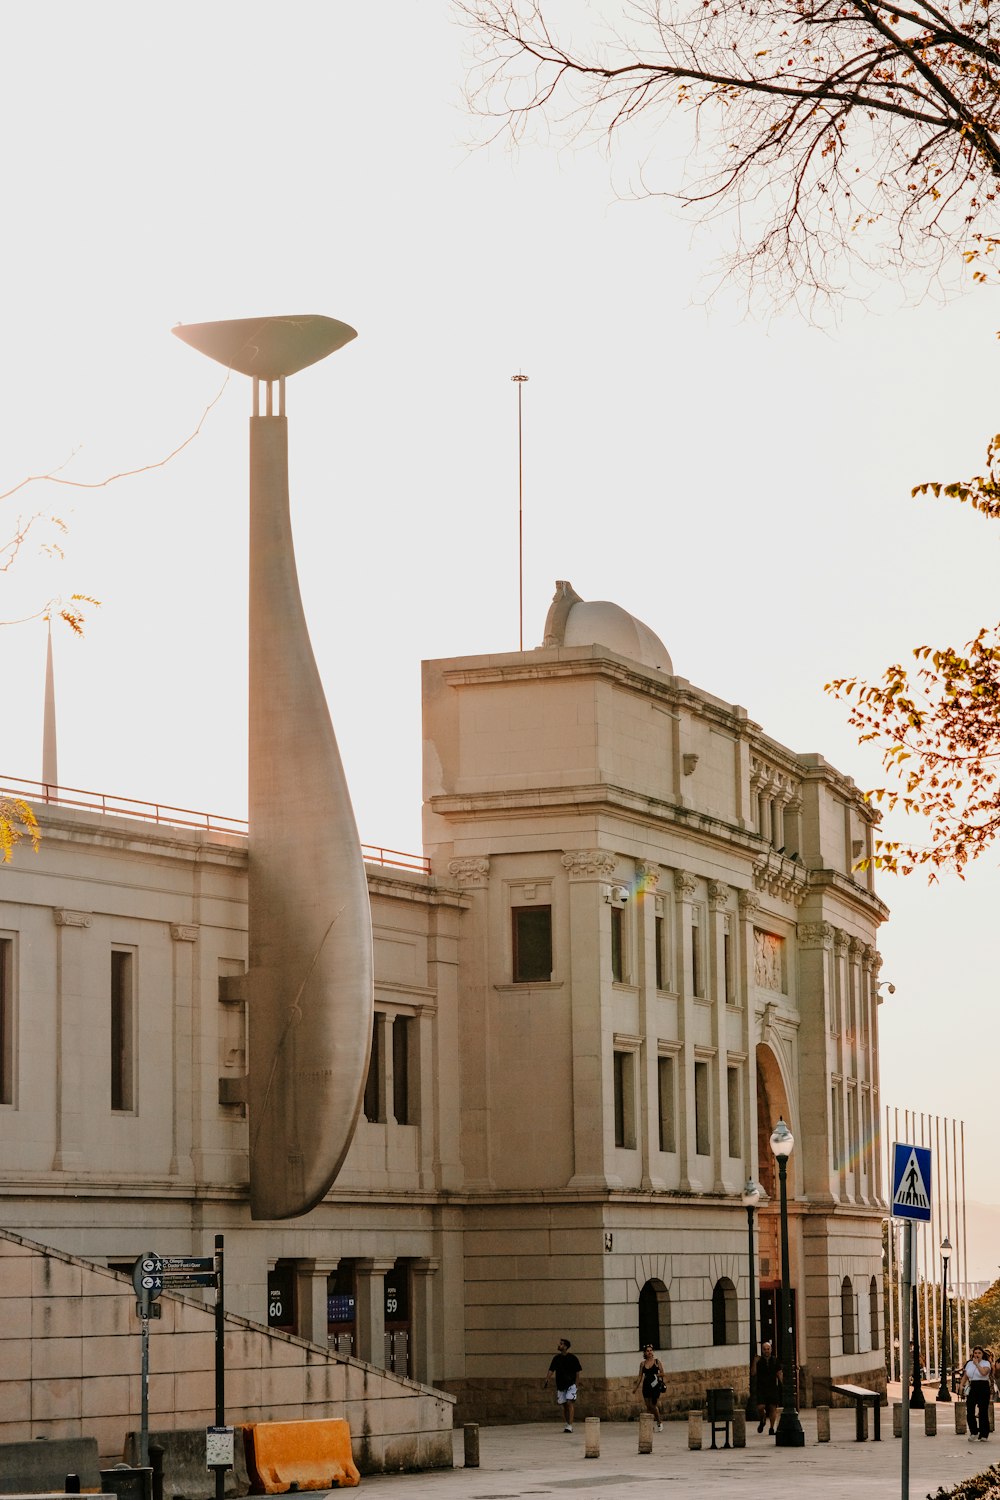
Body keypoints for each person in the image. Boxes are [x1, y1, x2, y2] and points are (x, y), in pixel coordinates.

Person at [545, 1337, 582, 1432]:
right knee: (564, 1404)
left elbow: (577, 1372)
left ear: (565, 1347)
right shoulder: (556, 1358)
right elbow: (551, 1369)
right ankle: (567, 1423)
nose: (559, 1345)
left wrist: (576, 1384)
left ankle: (570, 1425)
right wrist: (547, 1379)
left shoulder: (573, 1358)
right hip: (561, 1385)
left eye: (561, 1344)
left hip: (571, 1384)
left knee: (570, 1402)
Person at [961, 1344, 992, 1441]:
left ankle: (984, 1434)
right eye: (975, 1353)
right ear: (973, 1354)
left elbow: (983, 1373)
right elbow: (966, 1376)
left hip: (983, 1386)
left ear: (982, 1354)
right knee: (970, 1410)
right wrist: (962, 1385)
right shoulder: (969, 1363)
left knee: (983, 1411)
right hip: (973, 1386)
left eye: (979, 1353)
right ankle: (974, 1431)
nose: (977, 1355)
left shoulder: (986, 1363)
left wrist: (977, 1364)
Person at [634, 1343, 666, 1431]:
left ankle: (659, 1422)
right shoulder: (642, 1364)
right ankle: (649, 1424)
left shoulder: (657, 1362)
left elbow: (663, 1373)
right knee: (648, 1405)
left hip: (655, 1385)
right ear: (645, 1353)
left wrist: (655, 1374)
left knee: (653, 1405)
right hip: (646, 1385)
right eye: (647, 1351)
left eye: (651, 1350)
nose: (649, 1352)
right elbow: (640, 1376)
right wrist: (635, 1388)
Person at [753, 1339, 782, 1435]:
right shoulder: (759, 1360)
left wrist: (783, 1384)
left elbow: (779, 1373)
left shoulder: (775, 1360)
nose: (766, 1351)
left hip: (772, 1387)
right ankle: (763, 1418)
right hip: (761, 1387)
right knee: (760, 1407)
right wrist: (754, 1362)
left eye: (768, 1349)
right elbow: (753, 1373)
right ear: (762, 1350)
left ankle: (771, 1428)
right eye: (764, 1349)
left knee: (773, 1408)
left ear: (771, 1350)